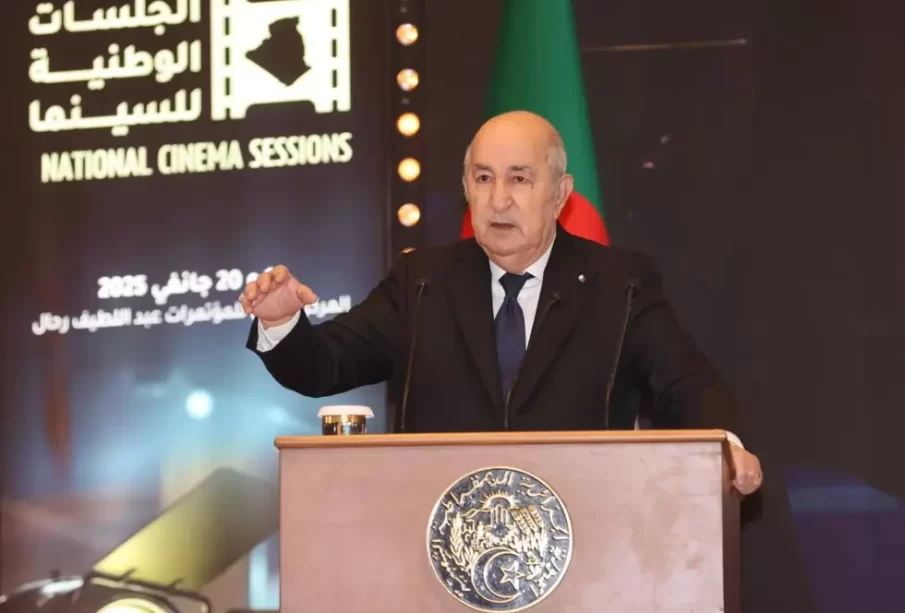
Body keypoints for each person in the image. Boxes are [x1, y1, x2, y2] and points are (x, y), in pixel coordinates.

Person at [240, 110, 763, 495]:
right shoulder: (423, 282)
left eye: (519, 178)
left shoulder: (618, 284)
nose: (499, 199)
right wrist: (283, 322)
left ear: (560, 193)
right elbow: (325, 365)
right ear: (466, 187)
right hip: (437, 542)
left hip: (586, 533)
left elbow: (686, 382)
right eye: (484, 178)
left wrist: (726, 447)